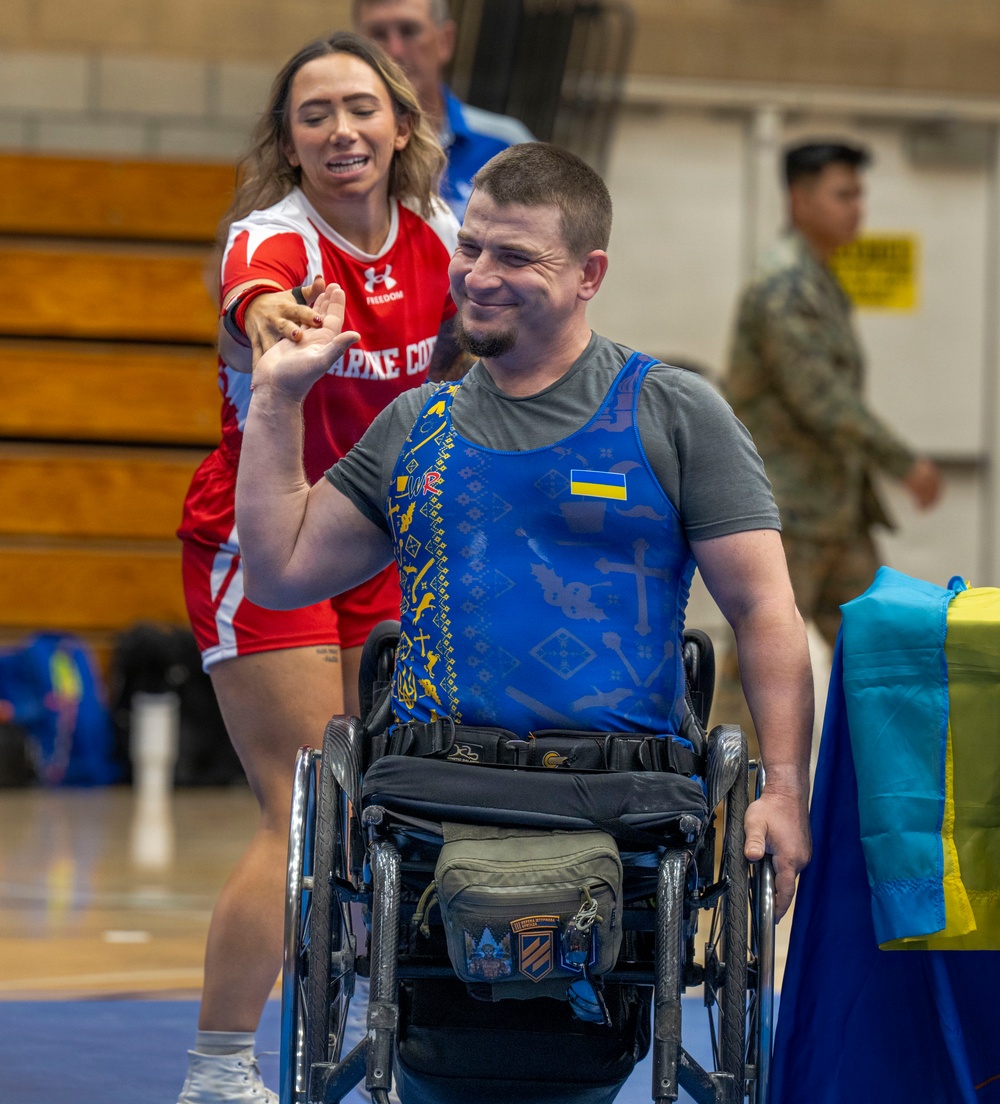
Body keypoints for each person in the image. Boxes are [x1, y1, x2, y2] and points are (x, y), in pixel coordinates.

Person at [234, 141, 814, 1103]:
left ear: (589, 274)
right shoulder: (415, 425)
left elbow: (765, 608)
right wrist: (277, 395)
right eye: (470, 248)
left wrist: (784, 791)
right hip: (433, 786)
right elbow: (281, 568)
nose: (478, 275)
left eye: (515, 257)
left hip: (621, 795)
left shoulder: (671, 413)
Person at [176, 31, 461, 1104]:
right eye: (314, 115)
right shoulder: (275, 239)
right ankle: (216, 1071)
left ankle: (382, 1043)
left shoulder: (442, 236)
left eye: (360, 108)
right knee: (303, 806)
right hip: (260, 540)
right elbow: (253, 294)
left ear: (400, 125)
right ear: (288, 143)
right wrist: (273, 319)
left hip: (373, 543)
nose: (341, 129)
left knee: (377, 805)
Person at [717, 139, 942, 737]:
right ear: (799, 199)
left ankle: (889, 785)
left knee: (883, 651)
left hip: (834, 514)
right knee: (761, 674)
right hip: (786, 514)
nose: (857, 208)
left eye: (859, 194)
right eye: (844, 194)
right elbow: (820, 397)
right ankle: (728, 793)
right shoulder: (783, 284)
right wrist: (903, 462)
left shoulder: (818, 280)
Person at [354, 0, 535, 217]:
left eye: (409, 31)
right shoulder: (345, 148)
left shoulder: (507, 145)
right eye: (378, 34)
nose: (395, 51)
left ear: (445, 40)